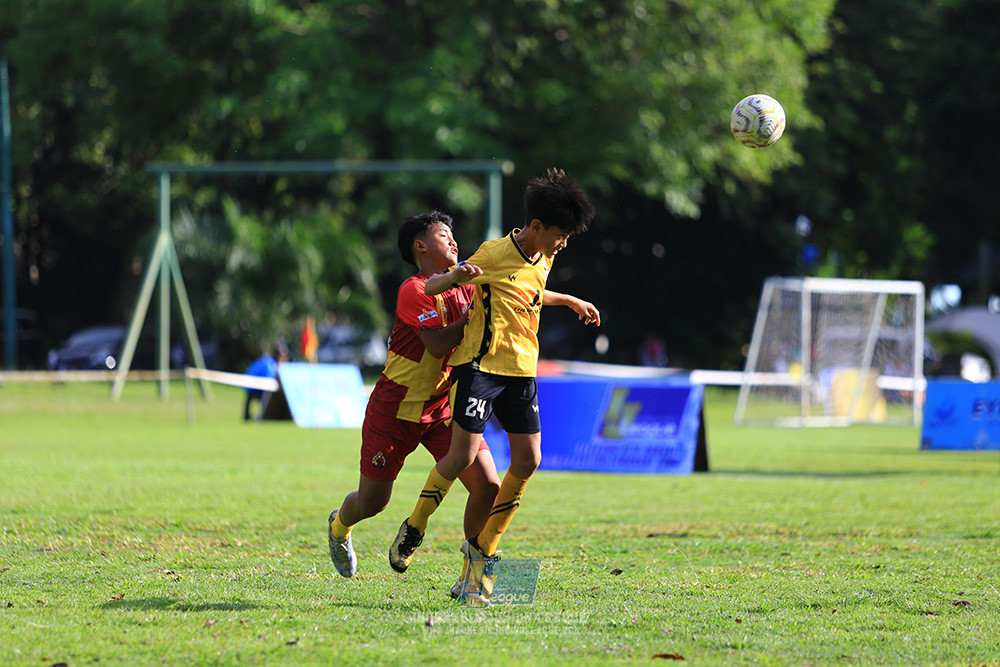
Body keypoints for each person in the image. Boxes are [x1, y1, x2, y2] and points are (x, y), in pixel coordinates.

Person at [389, 168, 600, 605]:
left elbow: (530, 292)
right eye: (559, 235)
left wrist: (570, 300)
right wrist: (455, 277)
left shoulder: (546, 256)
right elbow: (432, 284)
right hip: (480, 369)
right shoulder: (494, 252)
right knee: (461, 455)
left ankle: (483, 549)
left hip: (522, 372)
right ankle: (415, 525)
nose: (563, 244)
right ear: (536, 227)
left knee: (529, 460)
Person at [327, 211, 501, 584]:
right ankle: (339, 527)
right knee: (373, 503)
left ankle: (474, 575)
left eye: (454, 235)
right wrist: (471, 317)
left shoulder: (464, 286)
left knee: (488, 485)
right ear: (420, 246)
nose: (454, 240)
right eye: (444, 234)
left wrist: (567, 300)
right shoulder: (415, 289)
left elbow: (511, 291)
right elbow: (437, 345)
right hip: (393, 410)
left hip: (441, 408)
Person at [243, 342, 288, 421]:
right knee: (269, 397)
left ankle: (249, 416)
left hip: (249, 386)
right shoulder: (269, 364)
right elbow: (269, 380)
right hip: (253, 387)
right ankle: (264, 417)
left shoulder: (268, 361)